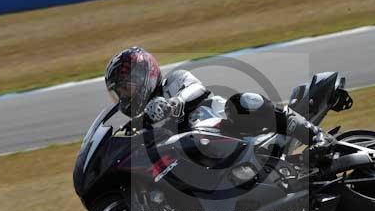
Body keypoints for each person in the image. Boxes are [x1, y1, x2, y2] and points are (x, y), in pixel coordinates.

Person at [104, 47, 334, 155]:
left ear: (144, 76)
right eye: (120, 92)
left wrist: (173, 104)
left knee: (243, 102)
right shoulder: (144, 122)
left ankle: (317, 136)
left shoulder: (175, 81)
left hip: (230, 127)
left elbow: (196, 89)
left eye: (126, 88)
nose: (125, 96)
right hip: (209, 157)